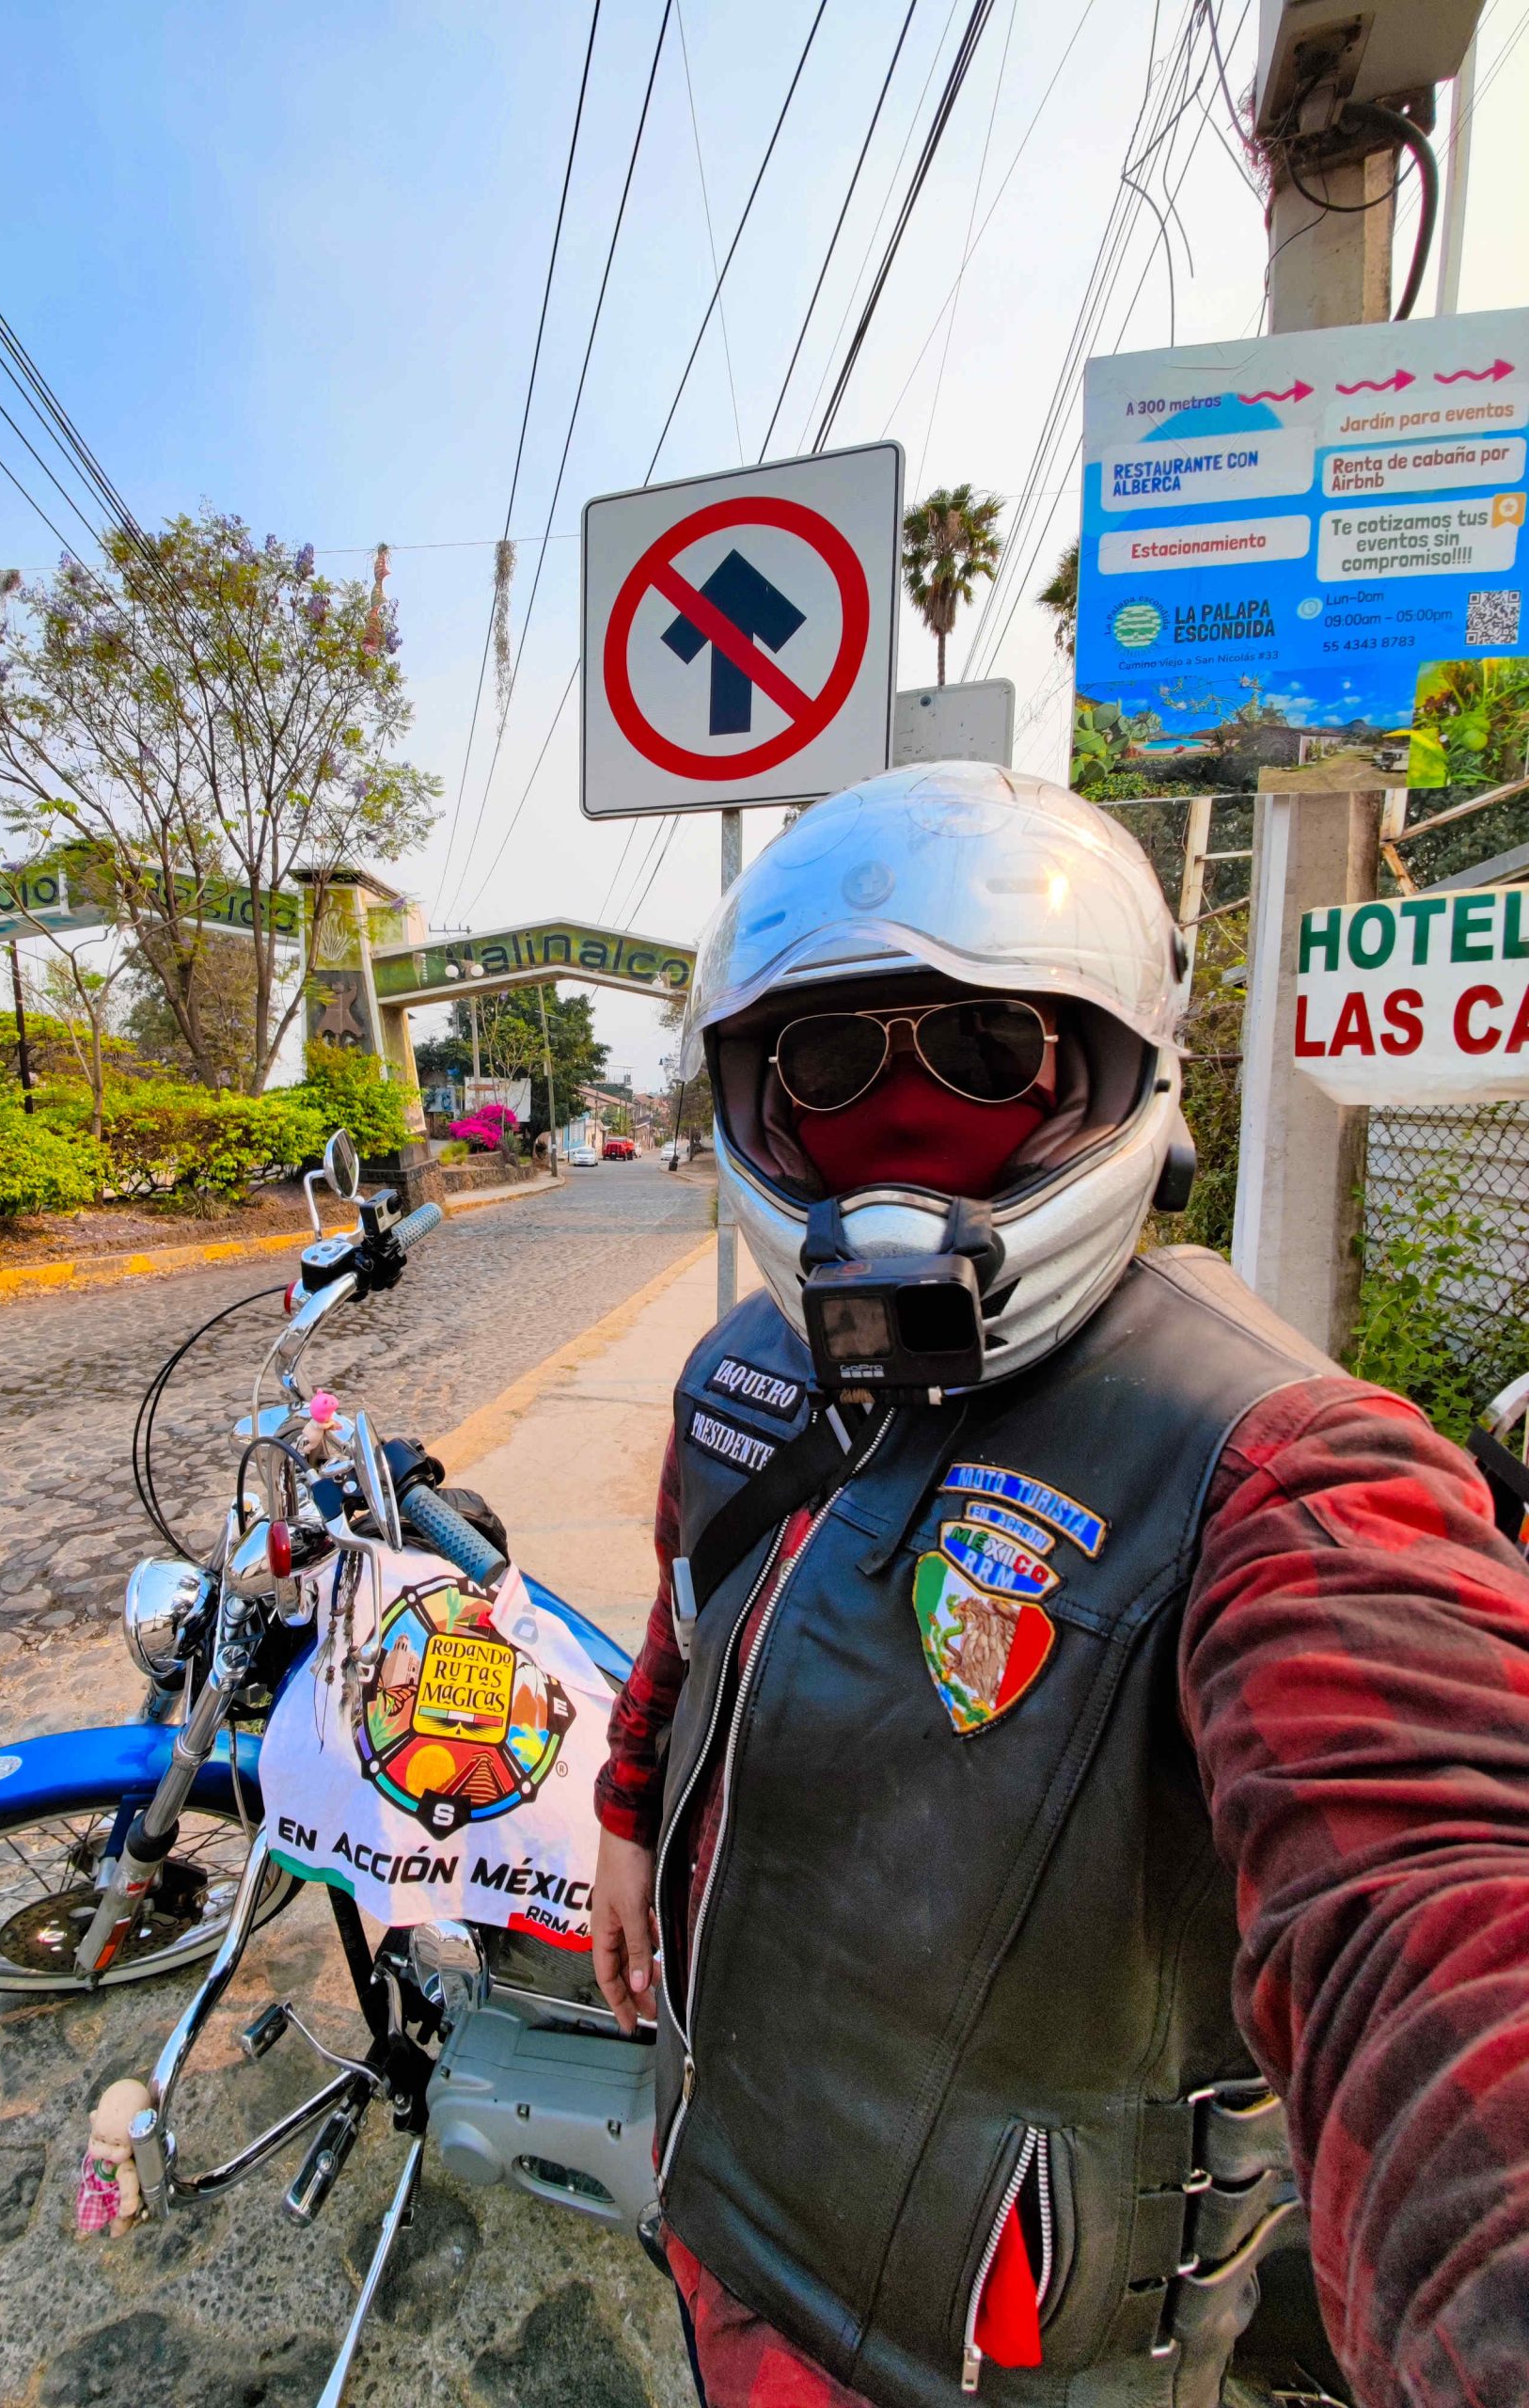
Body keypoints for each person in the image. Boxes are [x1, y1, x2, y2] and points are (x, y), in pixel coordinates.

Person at [588, 763, 1529, 2408]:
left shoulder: (1286, 1474)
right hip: (722, 2203)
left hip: (982, 2358)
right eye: (827, 1064)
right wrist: (623, 1814)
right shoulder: (744, 1371)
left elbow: (1435, 1897)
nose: (901, 1129)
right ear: (752, 1100)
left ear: (1121, 1082)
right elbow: (685, 1620)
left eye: (985, 1050)